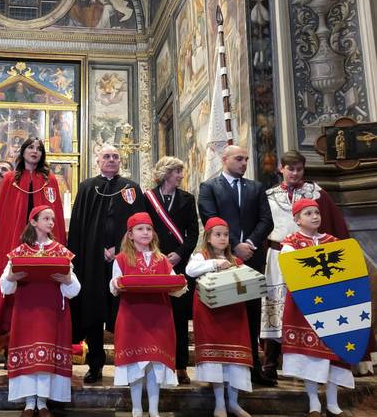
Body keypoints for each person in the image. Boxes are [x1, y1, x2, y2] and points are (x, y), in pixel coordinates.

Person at [261, 150, 350, 379]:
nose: (295, 173)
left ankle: (312, 361)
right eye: (290, 169)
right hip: (277, 255)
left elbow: (333, 223)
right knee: (275, 306)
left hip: (309, 259)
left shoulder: (315, 192)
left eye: (299, 169)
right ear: (281, 168)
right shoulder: (268, 195)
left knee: (306, 307)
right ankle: (270, 362)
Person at [198, 145, 275, 386]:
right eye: (239, 159)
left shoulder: (256, 187)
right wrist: (233, 246)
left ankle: (253, 367)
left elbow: (266, 220)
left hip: (251, 257)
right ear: (225, 159)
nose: (244, 163)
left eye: (246, 159)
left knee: (251, 313)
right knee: (227, 314)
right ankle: (224, 368)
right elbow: (209, 219)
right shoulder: (209, 187)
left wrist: (249, 243)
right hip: (222, 259)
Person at [68, 144, 145, 383]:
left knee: (123, 312)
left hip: (124, 260)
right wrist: (92, 250)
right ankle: (95, 364)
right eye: (107, 156)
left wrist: (118, 248)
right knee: (92, 313)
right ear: (97, 160)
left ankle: (128, 364)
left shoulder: (131, 188)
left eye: (115, 156)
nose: (111, 160)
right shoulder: (87, 187)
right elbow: (79, 225)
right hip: (92, 261)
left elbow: (139, 225)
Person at [0, 138, 66, 350]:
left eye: (39, 149)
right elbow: (4, 217)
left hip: (41, 243)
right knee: (12, 289)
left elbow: (54, 214)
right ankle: (9, 344)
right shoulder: (11, 179)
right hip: (15, 242)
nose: (35, 152)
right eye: (30, 148)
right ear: (22, 152)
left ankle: (42, 339)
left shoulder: (50, 180)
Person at [0, 205, 79, 417]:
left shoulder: (61, 251)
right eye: (46, 218)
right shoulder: (20, 251)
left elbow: (74, 289)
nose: (51, 222)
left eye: (53, 219)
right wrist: (11, 278)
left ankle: (42, 402)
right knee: (29, 353)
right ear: (34, 222)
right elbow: (5, 287)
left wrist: (67, 279)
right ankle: (28, 403)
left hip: (52, 311)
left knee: (45, 355)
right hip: (26, 310)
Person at [279, 199, 354, 417]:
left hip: (332, 306)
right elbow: (291, 270)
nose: (315, 216)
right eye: (308, 213)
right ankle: (314, 402)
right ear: (297, 219)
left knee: (333, 354)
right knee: (311, 356)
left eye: (317, 212)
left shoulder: (333, 242)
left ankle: (332, 401)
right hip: (305, 307)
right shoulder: (290, 243)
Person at [110, 212, 184, 417]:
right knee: (136, 365)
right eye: (140, 229)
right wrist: (116, 283)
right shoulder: (122, 259)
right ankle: (136, 408)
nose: (145, 232)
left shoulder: (162, 260)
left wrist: (180, 283)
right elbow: (115, 284)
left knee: (154, 364)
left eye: (149, 229)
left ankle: (154, 409)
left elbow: (173, 285)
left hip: (159, 317)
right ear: (130, 234)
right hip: (132, 318)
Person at [186, 217, 253, 417]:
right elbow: (190, 271)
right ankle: (219, 404)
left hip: (234, 314)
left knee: (236, 361)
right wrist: (215, 263)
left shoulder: (236, 260)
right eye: (217, 234)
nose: (222, 238)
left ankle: (233, 402)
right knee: (216, 359)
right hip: (210, 313)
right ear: (208, 237)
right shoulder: (201, 256)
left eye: (225, 234)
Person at [144, 156, 199, 384]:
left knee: (179, 317)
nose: (181, 175)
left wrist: (180, 254)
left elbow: (193, 234)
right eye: (178, 171)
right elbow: (143, 228)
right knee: (154, 316)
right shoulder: (148, 198)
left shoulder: (187, 198)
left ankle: (181, 365)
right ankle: (154, 361)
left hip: (179, 264)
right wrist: (155, 255)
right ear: (167, 173)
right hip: (153, 263)